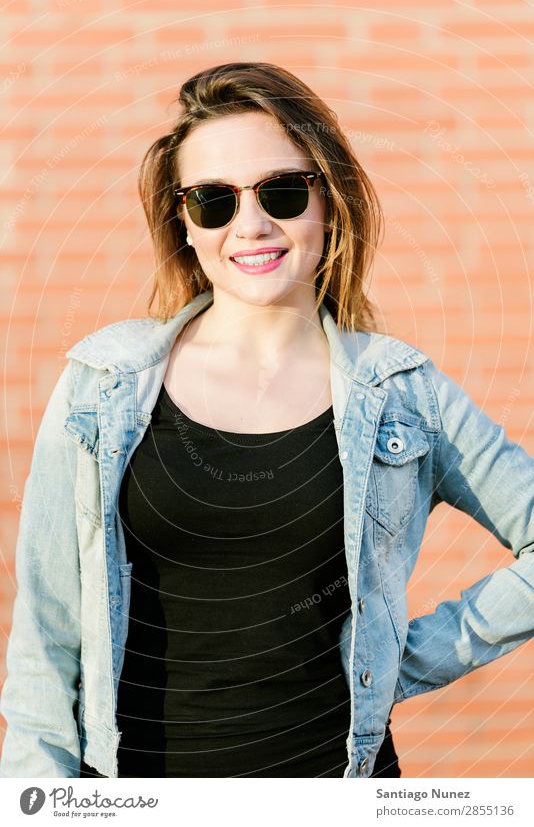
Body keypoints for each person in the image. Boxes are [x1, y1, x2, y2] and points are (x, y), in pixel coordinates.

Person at [1, 61, 533, 779]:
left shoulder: (405, 394)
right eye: (211, 200)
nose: (250, 223)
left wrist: (394, 656)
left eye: (281, 190)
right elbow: (46, 638)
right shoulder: (102, 385)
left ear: (328, 198)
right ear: (183, 222)